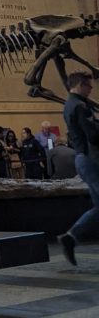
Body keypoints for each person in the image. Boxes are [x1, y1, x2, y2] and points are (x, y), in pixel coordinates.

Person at [58, 72, 99, 265]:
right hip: (91, 160)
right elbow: (93, 135)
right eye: (89, 86)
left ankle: (71, 237)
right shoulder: (81, 106)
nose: (91, 90)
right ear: (81, 85)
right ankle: (71, 236)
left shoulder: (69, 105)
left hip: (83, 159)